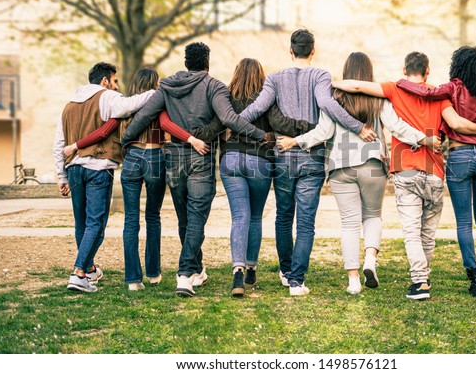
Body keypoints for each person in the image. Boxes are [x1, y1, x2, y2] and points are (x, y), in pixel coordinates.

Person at [332, 51, 476, 300]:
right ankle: (423, 278)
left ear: (404, 70)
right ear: (427, 71)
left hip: (405, 167)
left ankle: (420, 283)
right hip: (434, 171)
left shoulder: (395, 89)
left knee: (411, 232)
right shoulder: (440, 97)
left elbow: (354, 85)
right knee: (427, 233)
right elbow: (457, 123)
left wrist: (328, 83)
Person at [276, 52, 441, 294]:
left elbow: (322, 132)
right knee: (372, 216)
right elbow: (397, 126)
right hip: (373, 165)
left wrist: (295, 141)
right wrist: (423, 139)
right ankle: (370, 261)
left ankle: (353, 280)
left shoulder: (335, 98)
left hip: (341, 167)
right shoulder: (379, 100)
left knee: (349, 225)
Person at [120, 42, 271, 298]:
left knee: (186, 220)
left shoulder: (167, 87)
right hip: (201, 158)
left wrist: (126, 140)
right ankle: (185, 274)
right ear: (207, 63)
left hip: (173, 158)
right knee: (196, 220)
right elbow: (229, 119)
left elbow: (145, 115)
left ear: (186, 62)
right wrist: (261, 135)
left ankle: (197, 270)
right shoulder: (214, 86)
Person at [239, 29, 376, 296]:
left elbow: (257, 108)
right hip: (312, 158)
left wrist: (230, 122)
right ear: (313, 50)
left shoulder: (275, 78)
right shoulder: (321, 75)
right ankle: (296, 281)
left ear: (290, 51)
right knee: (305, 222)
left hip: (283, 157)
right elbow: (328, 106)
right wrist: (358, 127)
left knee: (283, 217)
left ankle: (286, 270)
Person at [63, 68, 209, 291]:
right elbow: (167, 124)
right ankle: (153, 273)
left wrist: (76, 145)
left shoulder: (124, 106)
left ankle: (133, 279)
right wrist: (191, 139)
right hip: (154, 157)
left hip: (131, 160)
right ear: (153, 84)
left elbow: (104, 130)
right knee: (153, 216)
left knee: (130, 220)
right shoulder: (157, 102)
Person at [190, 58, 315, 296]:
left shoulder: (225, 97)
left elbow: (215, 126)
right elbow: (281, 123)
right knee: (255, 217)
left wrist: (192, 135)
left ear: (236, 74)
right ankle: (251, 269)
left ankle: (237, 271)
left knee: (239, 217)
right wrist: (310, 125)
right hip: (260, 162)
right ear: (260, 75)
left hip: (231, 160)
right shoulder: (266, 97)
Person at [395, 46, 476, 297]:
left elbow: (426, 90)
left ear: (461, 67)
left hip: (459, 157)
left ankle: (475, 281)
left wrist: (401, 82)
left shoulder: (454, 87)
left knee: (464, 222)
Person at [53, 62, 155, 293]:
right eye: (115, 81)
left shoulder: (69, 105)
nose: (117, 86)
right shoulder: (106, 97)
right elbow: (130, 105)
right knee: (96, 222)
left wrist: (61, 175)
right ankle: (79, 273)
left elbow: (59, 142)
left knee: (81, 223)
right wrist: (155, 91)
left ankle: (89, 269)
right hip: (98, 167)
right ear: (105, 81)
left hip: (74, 169)